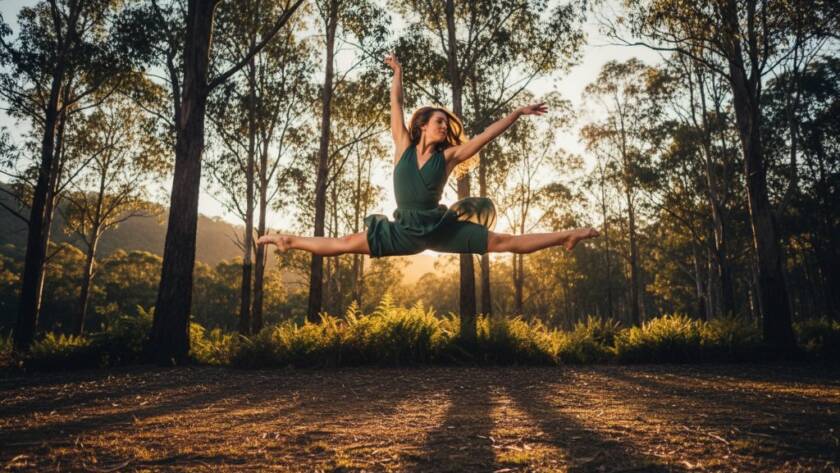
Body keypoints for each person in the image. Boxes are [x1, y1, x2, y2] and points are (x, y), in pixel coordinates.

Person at [256, 54, 599, 256]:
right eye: (437, 122)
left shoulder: (449, 156)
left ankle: (567, 234)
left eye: (444, 124)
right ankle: (289, 240)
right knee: (346, 242)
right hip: (402, 230)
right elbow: (396, 103)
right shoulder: (403, 145)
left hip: (437, 229)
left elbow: (485, 137)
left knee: (501, 242)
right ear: (422, 125)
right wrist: (398, 72)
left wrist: (516, 113)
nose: (442, 127)